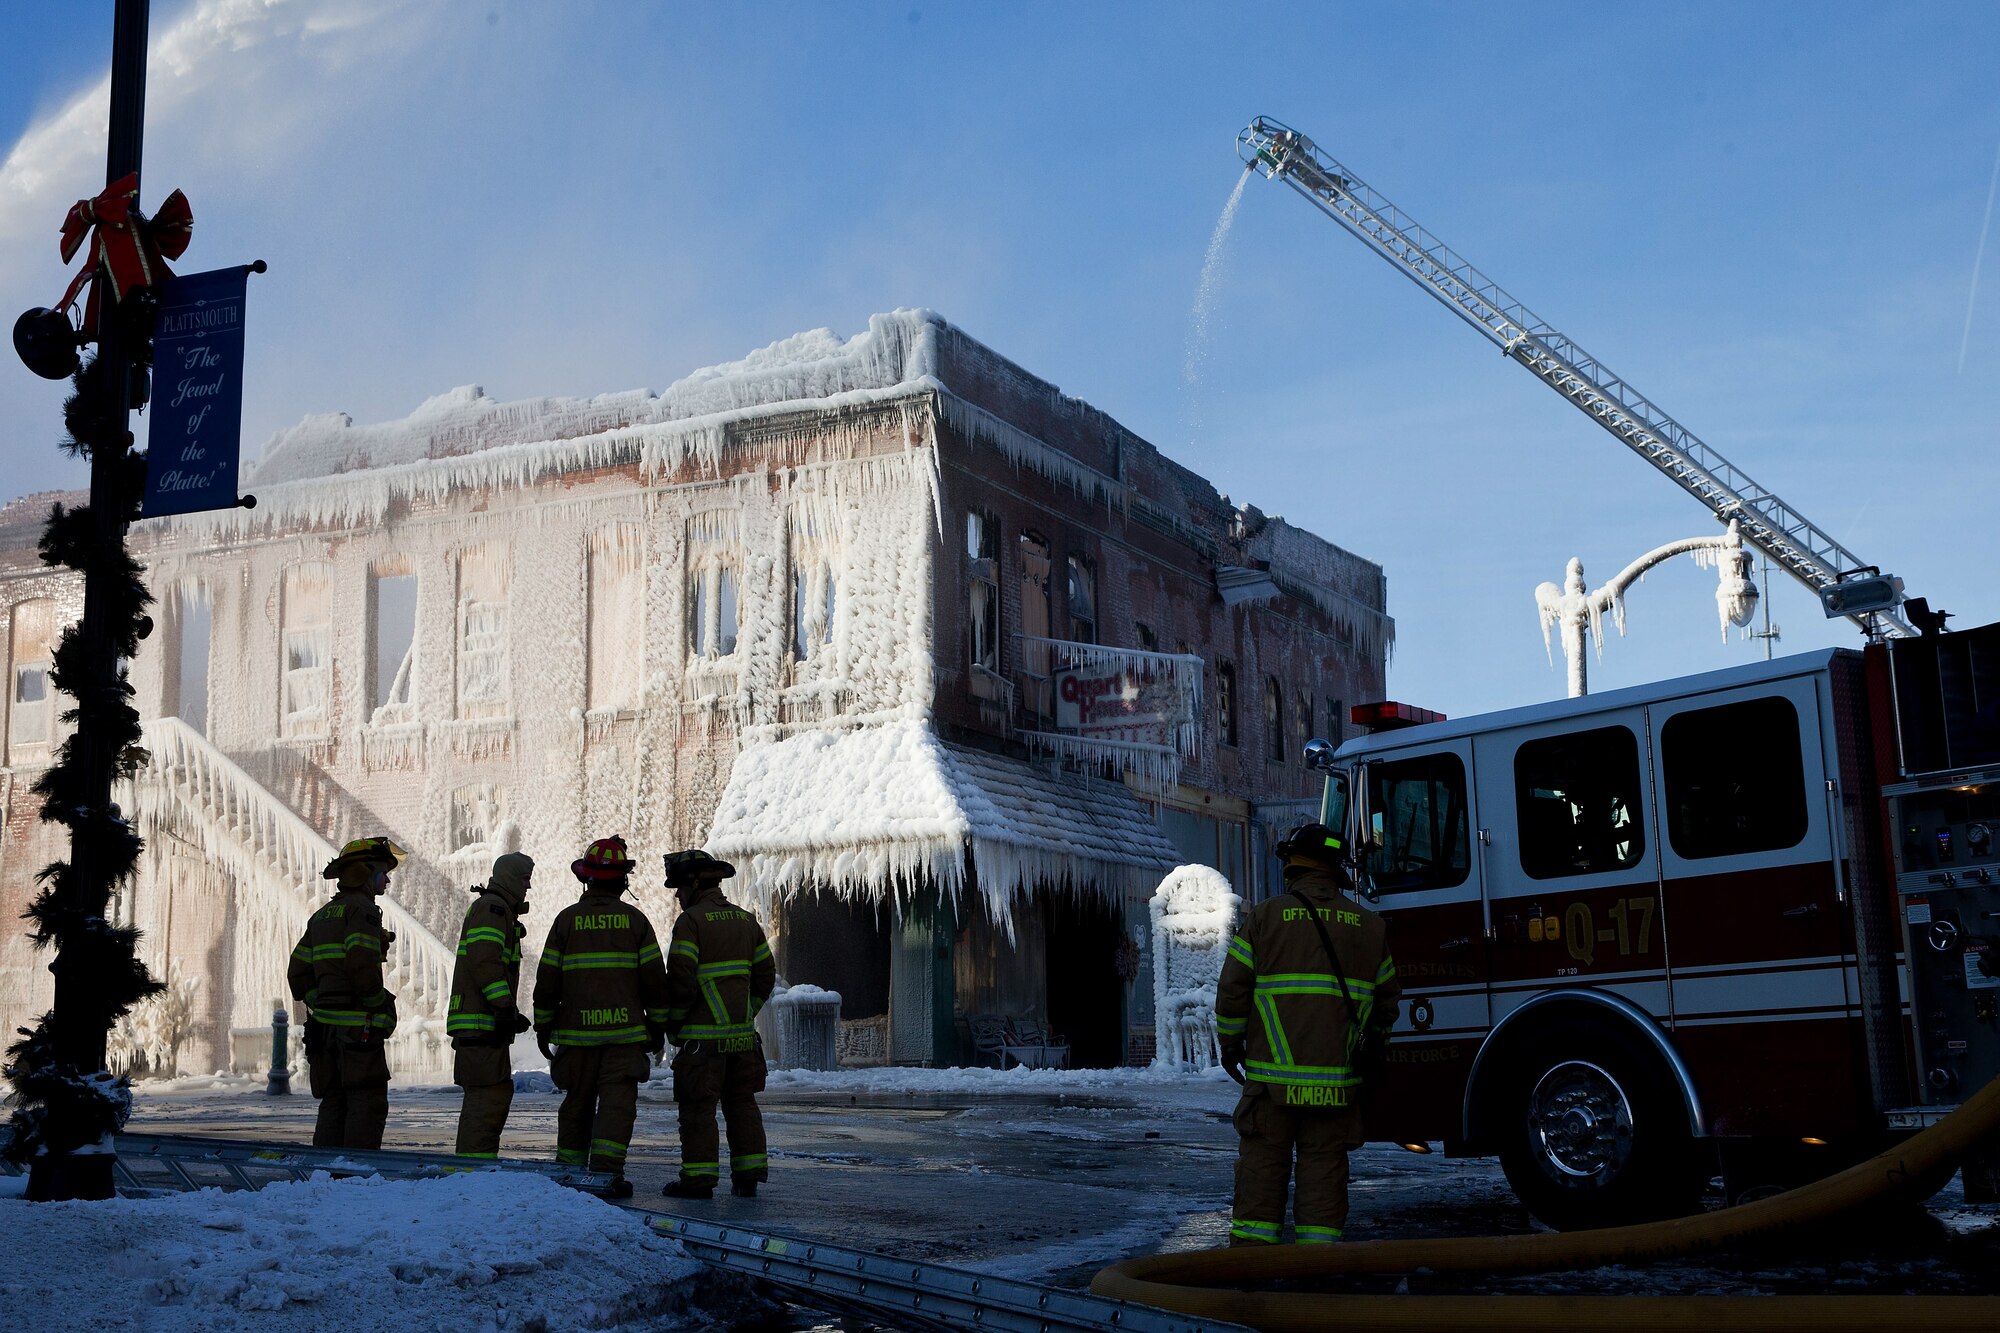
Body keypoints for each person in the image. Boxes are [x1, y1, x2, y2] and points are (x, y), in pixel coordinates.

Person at [1214, 822, 1400, 1245]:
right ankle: (1316, 1270)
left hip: (1272, 1087)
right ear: (1336, 870)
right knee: (1324, 1174)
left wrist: (1229, 1044)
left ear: (1293, 867)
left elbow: (1232, 992)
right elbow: (1386, 1006)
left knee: (1262, 1170)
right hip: (1335, 1090)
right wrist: (1372, 1052)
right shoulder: (1370, 927)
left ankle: (1252, 1274)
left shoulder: (1265, 918)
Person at [532, 836, 671, 1197]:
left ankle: (569, 1173)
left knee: (576, 1104)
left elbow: (546, 981)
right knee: (617, 1107)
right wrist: (657, 1028)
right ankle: (606, 1176)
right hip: (624, 1041)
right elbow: (656, 983)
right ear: (623, 881)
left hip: (576, 1040)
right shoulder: (636, 922)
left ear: (586, 880)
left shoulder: (566, 921)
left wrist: (543, 1026)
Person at [660, 849, 776, 1200]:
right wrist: (746, 1013)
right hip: (742, 1042)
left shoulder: (690, 922)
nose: (678, 896)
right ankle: (748, 1177)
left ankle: (698, 1181)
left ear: (695, 886)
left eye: (680, 888)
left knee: (698, 1112)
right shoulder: (745, 920)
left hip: (702, 1044)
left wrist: (674, 1024)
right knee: (742, 1107)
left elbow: (681, 979)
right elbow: (765, 976)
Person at [287, 836, 402, 1150]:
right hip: (357, 1032)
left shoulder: (322, 916)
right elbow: (362, 967)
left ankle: (327, 1173)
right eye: (382, 871)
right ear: (364, 874)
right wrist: (379, 1004)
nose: (387, 878)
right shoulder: (363, 911)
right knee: (367, 1101)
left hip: (324, 1032)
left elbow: (297, 972)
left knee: (334, 1101)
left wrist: (320, 1002)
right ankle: (358, 1176)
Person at [448, 851, 535, 1160]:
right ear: (511, 878)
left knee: (489, 1097)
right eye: (525, 879)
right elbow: (485, 961)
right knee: (487, 1100)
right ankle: (473, 1172)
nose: (528, 886)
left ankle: (475, 1168)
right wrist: (504, 1008)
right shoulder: (494, 909)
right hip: (482, 1025)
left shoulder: (494, 909)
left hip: (481, 1026)